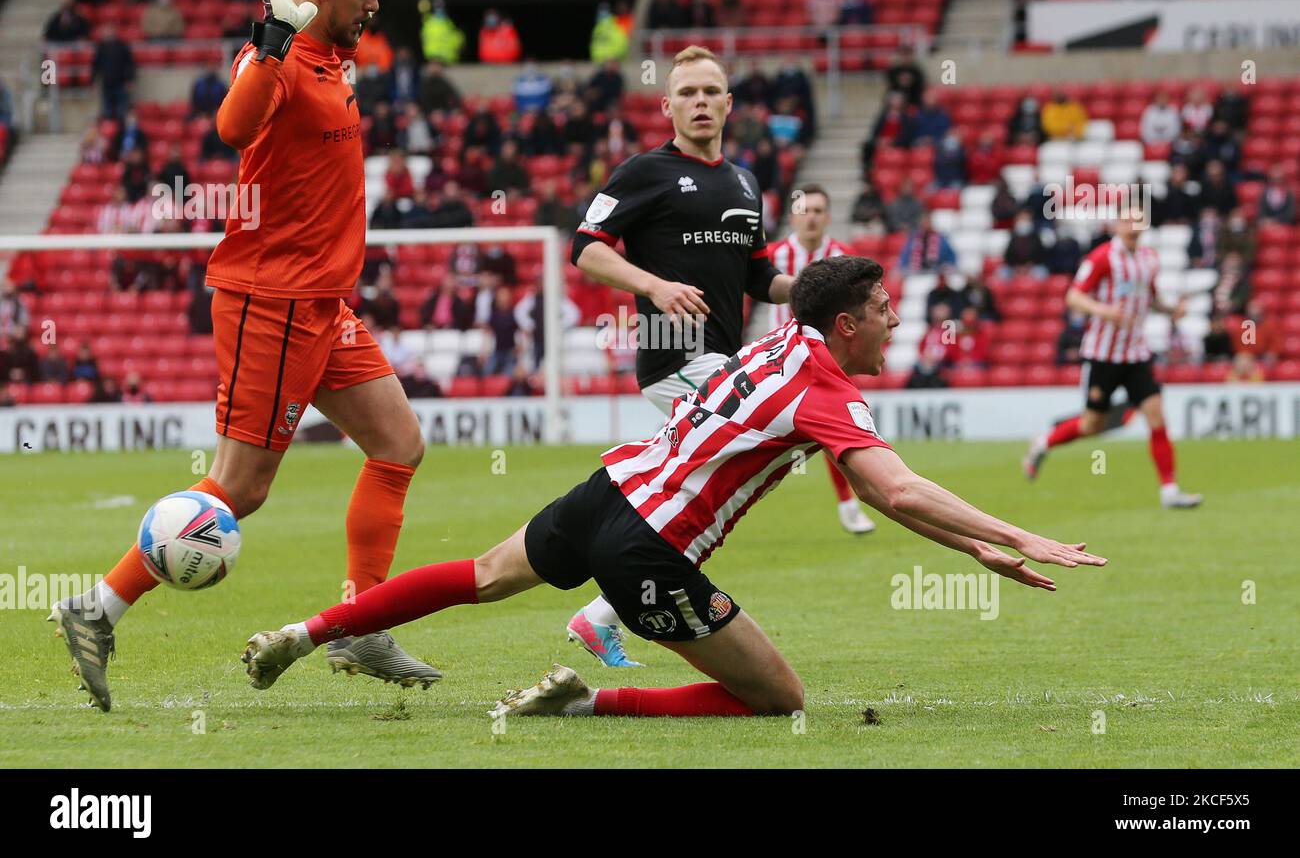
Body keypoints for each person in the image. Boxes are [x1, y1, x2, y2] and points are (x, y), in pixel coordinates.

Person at [242, 256, 1108, 717]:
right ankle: (585, 705)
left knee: (478, 576)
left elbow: (889, 499)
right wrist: (1019, 536)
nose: (895, 321)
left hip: (608, 488)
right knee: (778, 700)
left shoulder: (778, 345)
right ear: (847, 324)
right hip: (649, 547)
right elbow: (901, 490)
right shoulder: (827, 390)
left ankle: (306, 630)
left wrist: (977, 551)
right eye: (885, 309)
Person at [50, 0, 441, 715]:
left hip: (321, 302)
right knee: (239, 490)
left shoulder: (334, 55)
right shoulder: (282, 55)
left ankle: (360, 624)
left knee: (399, 443)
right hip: (273, 300)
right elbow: (232, 128)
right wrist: (271, 37)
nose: (375, 3)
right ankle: (97, 606)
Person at [564, 45, 796, 667]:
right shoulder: (644, 171)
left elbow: (760, 277)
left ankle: (602, 606)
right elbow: (585, 249)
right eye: (687, 93)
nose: (700, 103)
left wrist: (812, 290)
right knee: (755, 458)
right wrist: (652, 285)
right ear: (667, 106)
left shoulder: (745, 182)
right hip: (674, 356)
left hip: (720, 356)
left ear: (729, 104)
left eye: (710, 92)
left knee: (705, 494)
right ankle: (603, 601)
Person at [1022, 210, 1203, 509]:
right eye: (1128, 221)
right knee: (1092, 424)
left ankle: (1169, 490)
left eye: (1138, 221)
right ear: (1118, 224)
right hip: (1104, 355)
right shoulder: (1102, 258)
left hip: (1136, 354)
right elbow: (1073, 297)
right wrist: (1106, 312)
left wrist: (1172, 311)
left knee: (1156, 415)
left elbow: (1150, 298)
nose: (1133, 227)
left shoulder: (1149, 260)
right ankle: (1043, 443)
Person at [767, 185, 876, 535]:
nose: (810, 217)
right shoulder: (773, 256)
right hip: (781, 363)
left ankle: (849, 503)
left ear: (828, 217)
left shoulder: (844, 258)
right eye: (804, 210)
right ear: (792, 216)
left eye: (817, 210)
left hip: (831, 362)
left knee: (840, 433)